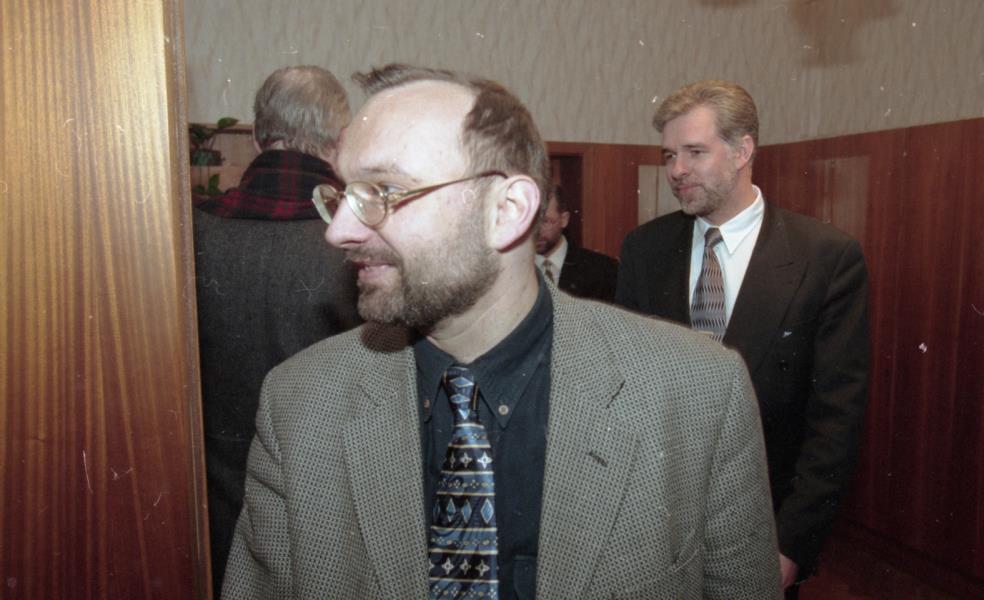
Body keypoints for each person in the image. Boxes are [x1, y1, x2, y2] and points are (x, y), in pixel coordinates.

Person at [222, 63, 780, 599]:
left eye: (383, 192)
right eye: (344, 196)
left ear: (508, 209)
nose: (339, 231)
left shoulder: (698, 391)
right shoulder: (299, 405)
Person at [616, 79, 870, 596]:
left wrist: (792, 545)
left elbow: (836, 421)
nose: (676, 170)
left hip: (764, 528)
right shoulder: (645, 249)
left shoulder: (825, 258)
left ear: (743, 150)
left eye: (694, 152)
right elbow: (625, 392)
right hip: (656, 526)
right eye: (669, 155)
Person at [193, 65, 361, 596]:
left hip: (214, 500)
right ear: (339, 142)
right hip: (333, 501)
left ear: (258, 136)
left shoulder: (188, 234)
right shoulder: (361, 244)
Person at [534, 184, 618, 302]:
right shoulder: (513, 271)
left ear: (564, 220)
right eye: (531, 222)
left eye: (545, 221)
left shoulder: (602, 271)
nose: (536, 231)